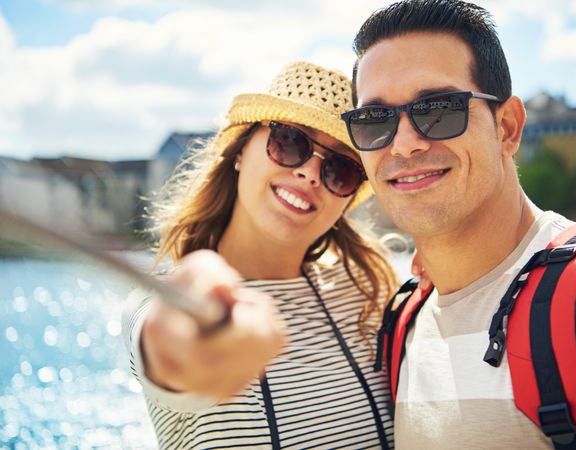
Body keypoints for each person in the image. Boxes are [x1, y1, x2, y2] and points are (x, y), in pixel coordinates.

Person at [340, 0, 576, 448]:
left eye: (437, 109)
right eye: (373, 119)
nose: (403, 145)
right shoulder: (404, 321)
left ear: (508, 128)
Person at [122, 61, 397, 449]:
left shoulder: (368, 295)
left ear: (347, 200)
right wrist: (183, 341)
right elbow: (170, 353)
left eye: (342, 169)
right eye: (289, 142)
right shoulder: (164, 301)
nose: (310, 174)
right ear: (240, 151)